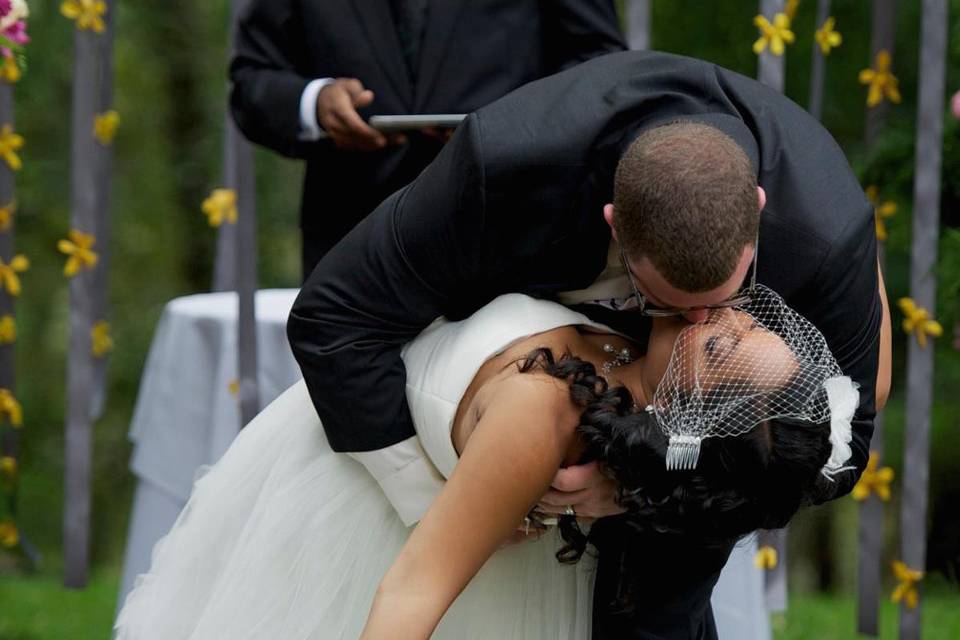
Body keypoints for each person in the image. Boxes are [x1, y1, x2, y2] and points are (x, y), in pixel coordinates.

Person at [287, 50, 889, 638]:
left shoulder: (824, 239)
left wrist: (653, 474)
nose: (711, 319)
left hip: (678, 488)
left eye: (735, 306)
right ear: (614, 225)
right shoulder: (505, 169)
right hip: (462, 440)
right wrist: (430, 498)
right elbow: (333, 318)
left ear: (757, 211)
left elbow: (840, 437)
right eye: (672, 304)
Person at [114, 287, 857, 639]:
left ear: (690, 407)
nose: (718, 310)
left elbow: (410, 597)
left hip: (364, 542)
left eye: (724, 343)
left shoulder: (543, 416)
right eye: (747, 318)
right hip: (323, 470)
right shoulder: (631, 335)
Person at [228, 0, 626, 277]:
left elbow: (601, 65)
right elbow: (252, 82)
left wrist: (512, 122)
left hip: (512, 237)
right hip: (351, 248)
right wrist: (316, 103)